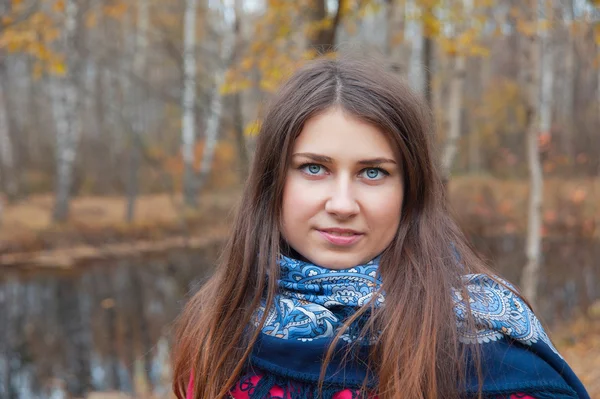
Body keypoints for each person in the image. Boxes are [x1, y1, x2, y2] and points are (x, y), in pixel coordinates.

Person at [171, 56, 590, 399]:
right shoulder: (219, 323)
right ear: (272, 181)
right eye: (313, 168)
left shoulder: (486, 345)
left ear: (411, 190)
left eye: (373, 173)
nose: (341, 204)